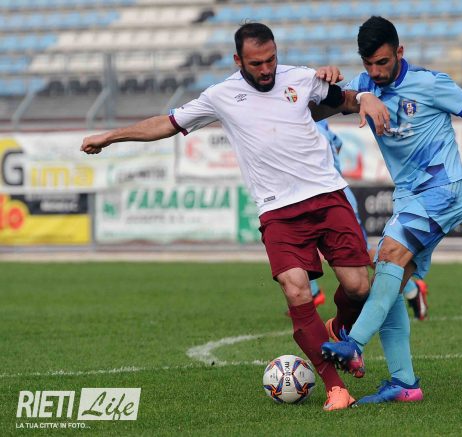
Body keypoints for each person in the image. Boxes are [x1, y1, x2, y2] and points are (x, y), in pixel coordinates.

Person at [80, 22, 390, 411]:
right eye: (257, 63)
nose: (266, 69)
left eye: (271, 59)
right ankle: (335, 387)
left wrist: (363, 95)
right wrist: (110, 136)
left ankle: (338, 328)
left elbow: (342, 99)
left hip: (327, 196)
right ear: (238, 60)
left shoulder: (300, 78)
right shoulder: (221, 95)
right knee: (296, 290)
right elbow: (167, 123)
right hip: (278, 210)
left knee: (359, 287)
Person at [321, 16, 462, 405]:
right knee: (390, 283)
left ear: (399, 52)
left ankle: (353, 344)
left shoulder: (431, 83)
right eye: (368, 64)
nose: (376, 71)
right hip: (410, 197)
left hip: (443, 190)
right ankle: (404, 383)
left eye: (383, 62)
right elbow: (320, 108)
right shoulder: (365, 84)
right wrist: (319, 82)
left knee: (388, 256)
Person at [309, 120, 429, 322]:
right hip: (315, 196)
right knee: (303, 245)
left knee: (359, 253)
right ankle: (312, 292)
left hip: (333, 197)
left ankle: (411, 287)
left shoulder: (308, 122)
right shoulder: (318, 121)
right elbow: (337, 145)